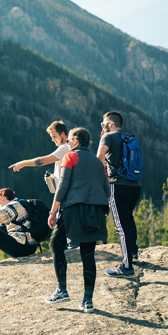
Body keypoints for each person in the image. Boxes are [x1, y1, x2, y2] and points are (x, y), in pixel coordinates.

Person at [46, 127, 110, 312]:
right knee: (88, 255)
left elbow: (63, 185)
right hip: (96, 210)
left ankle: (62, 290)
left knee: (56, 245)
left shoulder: (71, 156)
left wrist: (53, 211)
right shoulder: (99, 163)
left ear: (75, 140)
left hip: (74, 208)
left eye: (69, 141)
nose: (67, 144)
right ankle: (87, 301)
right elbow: (106, 190)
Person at [8, 120, 78, 250]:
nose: (52, 139)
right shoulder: (64, 148)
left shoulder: (64, 148)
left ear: (63, 134)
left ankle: (71, 247)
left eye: (54, 136)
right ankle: (70, 245)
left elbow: (43, 161)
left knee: (64, 224)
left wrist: (23, 163)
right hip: (64, 193)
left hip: (66, 194)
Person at [97, 111, 142, 278]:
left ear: (110, 123)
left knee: (121, 227)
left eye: (103, 124)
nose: (101, 127)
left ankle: (127, 266)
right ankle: (134, 253)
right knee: (128, 219)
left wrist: (103, 179)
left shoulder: (108, 138)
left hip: (118, 186)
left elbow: (99, 157)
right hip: (135, 186)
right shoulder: (128, 138)